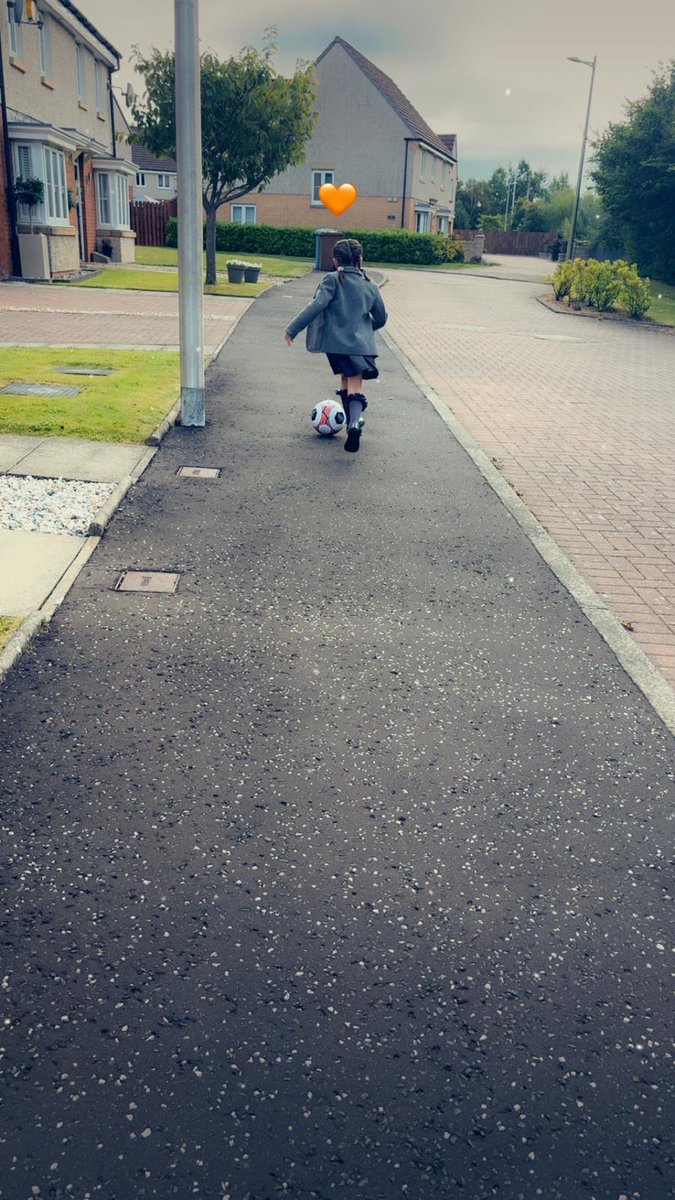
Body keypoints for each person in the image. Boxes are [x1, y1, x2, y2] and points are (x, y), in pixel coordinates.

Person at [284, 238, 387, 453]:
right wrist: (365, 329)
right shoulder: (370, 285)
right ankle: (354, 424)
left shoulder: (331, 280)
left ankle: (351, 426)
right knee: (356, 385)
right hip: (360, 346)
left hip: (336, 346)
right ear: (360, 259)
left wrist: (293, 328)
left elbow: (317, 305)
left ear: (335, 260)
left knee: (345, 380)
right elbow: (381, 318)